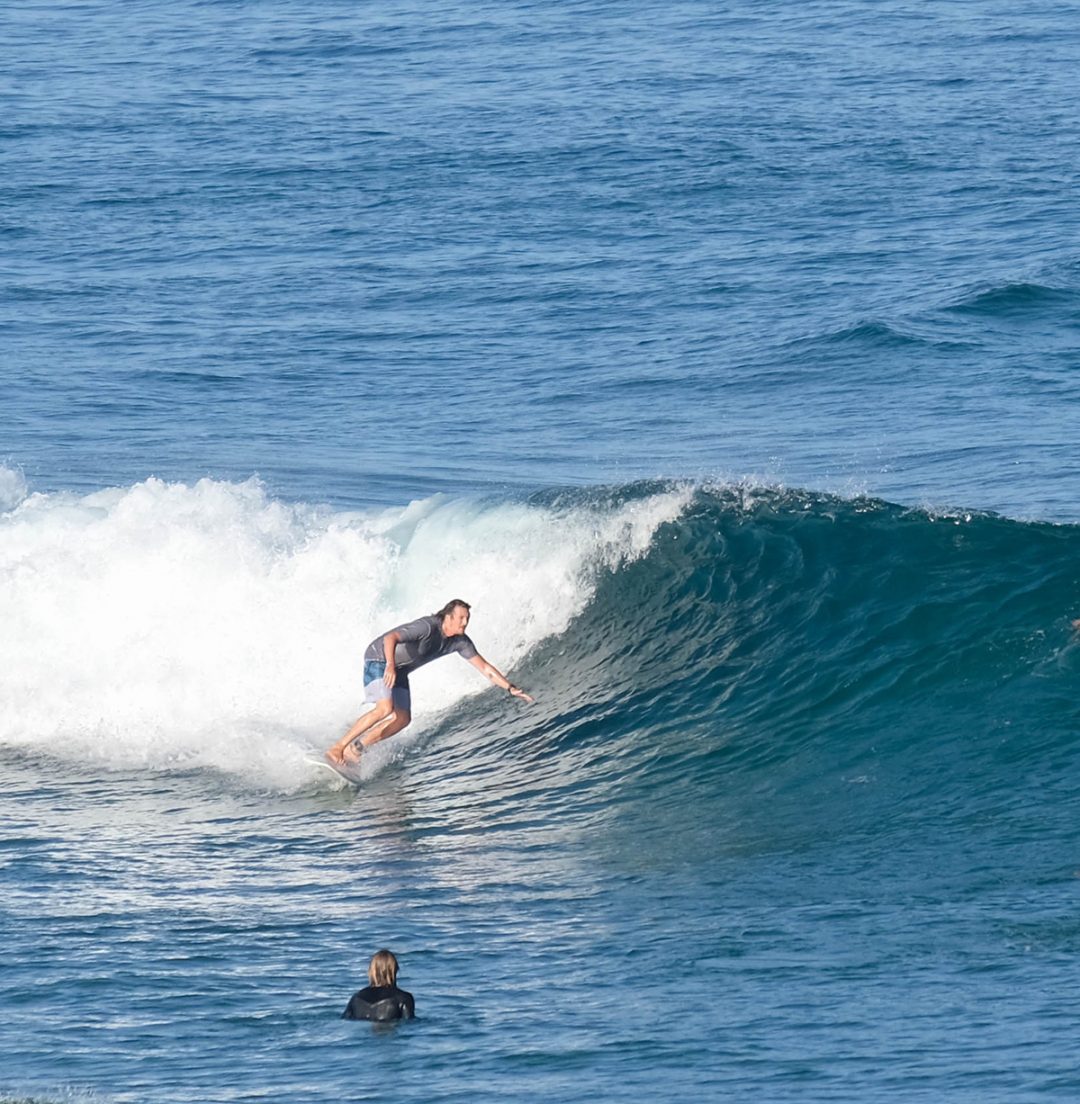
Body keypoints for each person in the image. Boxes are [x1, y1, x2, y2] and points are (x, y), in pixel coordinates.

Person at [326, 598, 534, 767]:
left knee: (403, 718)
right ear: (448, 617)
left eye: (467, 618)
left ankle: (356, 749)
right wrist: (390, 665)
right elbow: (391, 637)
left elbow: (485, 668)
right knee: (385, 709)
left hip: (401, 670)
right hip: (380, 658)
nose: (465, 622)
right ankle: (337, 747)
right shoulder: (427, 626)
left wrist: (510, 687)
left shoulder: (460, 642)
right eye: (461, 618)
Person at [342, 949, 415, 1022]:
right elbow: (409, 1023)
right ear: (395, 970)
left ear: (371, 971)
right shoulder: (404, 998)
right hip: (389, 1030)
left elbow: (344, 1019)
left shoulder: (356, 997)